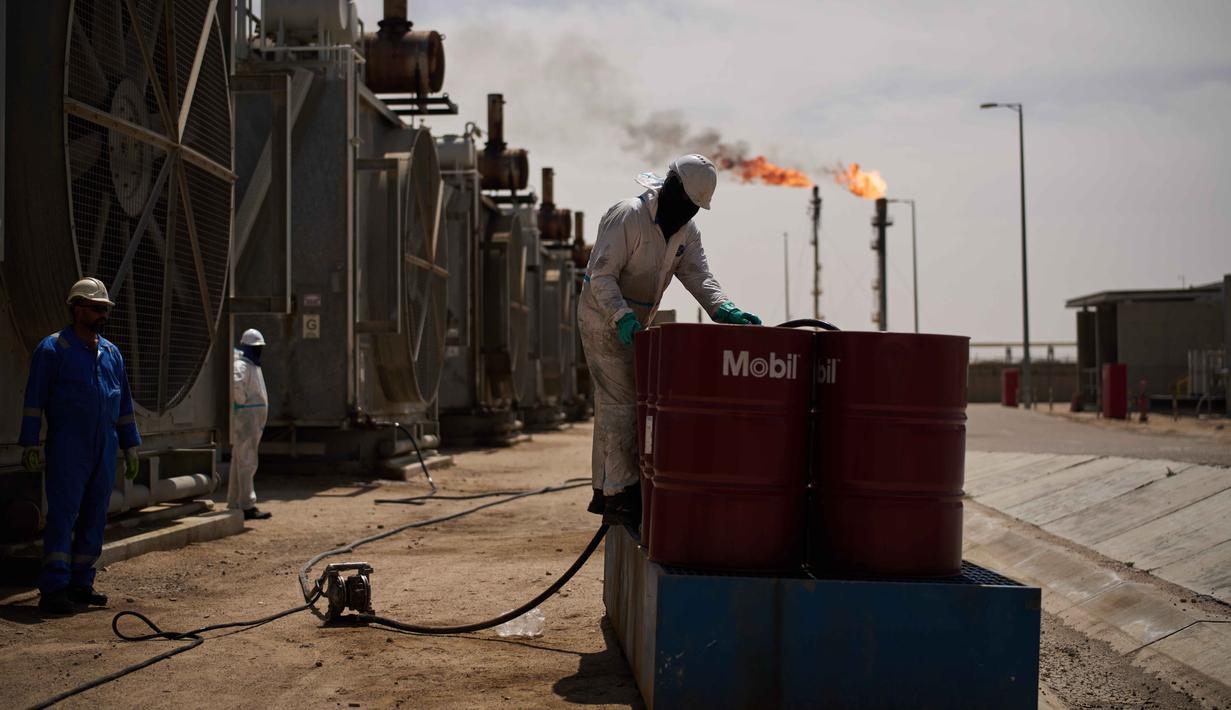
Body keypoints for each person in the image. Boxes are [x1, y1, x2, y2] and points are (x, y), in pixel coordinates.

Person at [578, 154, 761, 526]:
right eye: (686, 205)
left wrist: (724, 309)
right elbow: (602, 276)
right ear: (672, 189)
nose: (688, 214)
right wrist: (620, 316)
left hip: (636, 320)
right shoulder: (628, 215)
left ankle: (606, 488)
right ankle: (619, 495)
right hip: (602, 315)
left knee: (622, 400)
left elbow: (698, 275)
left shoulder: (685, 232)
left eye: (695, 209)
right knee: (620, 402)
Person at [20, 277, 141, 615]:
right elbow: (34, 399)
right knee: (63, 514)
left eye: (105, 308)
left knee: (95, 515)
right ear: (76, 309)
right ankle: (54, 589)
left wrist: (131, 445)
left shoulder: (111, 353)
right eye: (96, 308)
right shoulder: (53, 350)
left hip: (105, 445)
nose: (103, 314)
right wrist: (30, 442)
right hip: (68, 445)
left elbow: (124, 404)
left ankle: (81, 583)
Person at [230, 328, 271, 520]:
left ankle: (235, 502)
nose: (258, 350)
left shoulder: (252, 366)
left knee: (240, 461)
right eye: (255, 347)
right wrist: (242, 402)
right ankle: (247, 504)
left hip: (252, 420)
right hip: (246, 420)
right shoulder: (242, 366)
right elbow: (236, 385)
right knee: (247, 461)